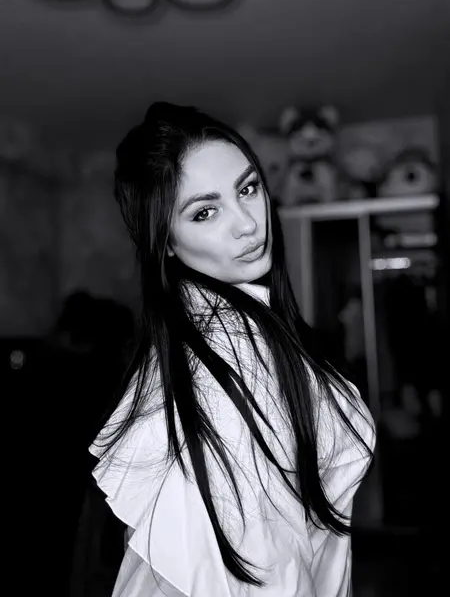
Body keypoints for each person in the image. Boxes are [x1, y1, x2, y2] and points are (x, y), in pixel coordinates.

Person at [88, 102, 376, 597]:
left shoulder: (245, 332)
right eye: (205, 212)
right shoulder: (220, 358)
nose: (247, 223)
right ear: (166, 243)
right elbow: (257, 571)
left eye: (247, 188)